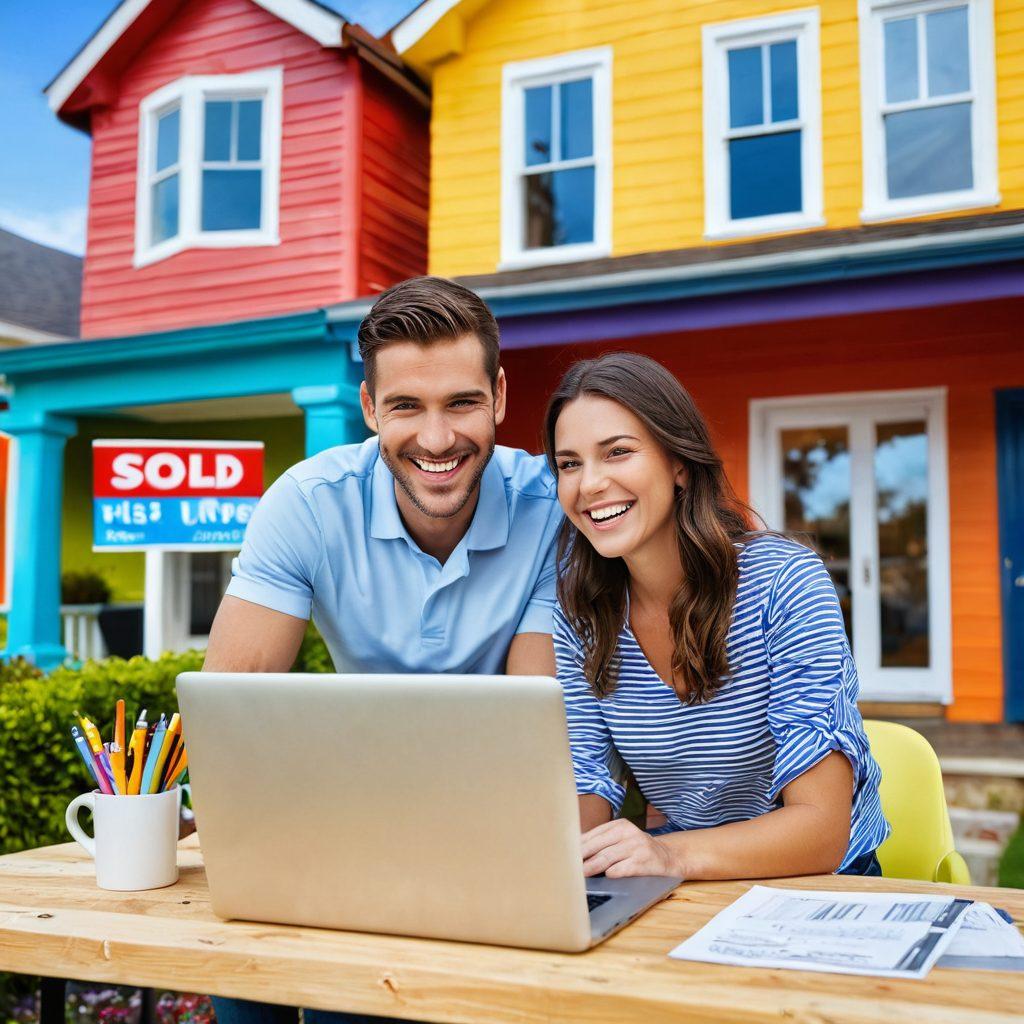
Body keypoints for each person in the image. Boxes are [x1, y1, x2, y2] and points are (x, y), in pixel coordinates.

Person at [202, 276, 562, 1024]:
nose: (436, 440)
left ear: (498, 396)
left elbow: (536, 737)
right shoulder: (306, 503)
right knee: (241, 974)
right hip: (339, 826)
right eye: (406, 406)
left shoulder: (551, 509)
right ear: (369, 409)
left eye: (461, 402)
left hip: (492, 833)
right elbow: (230, 714)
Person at [543, 351, 890, 881]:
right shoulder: (582, 614)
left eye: (617, 453)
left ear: (678, 463)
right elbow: (586, 784)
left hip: (824, 885)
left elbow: (821, 831)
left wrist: (669, 853)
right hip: (687, 883)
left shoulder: (784, 583)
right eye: (569, 463)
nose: (588, 484)